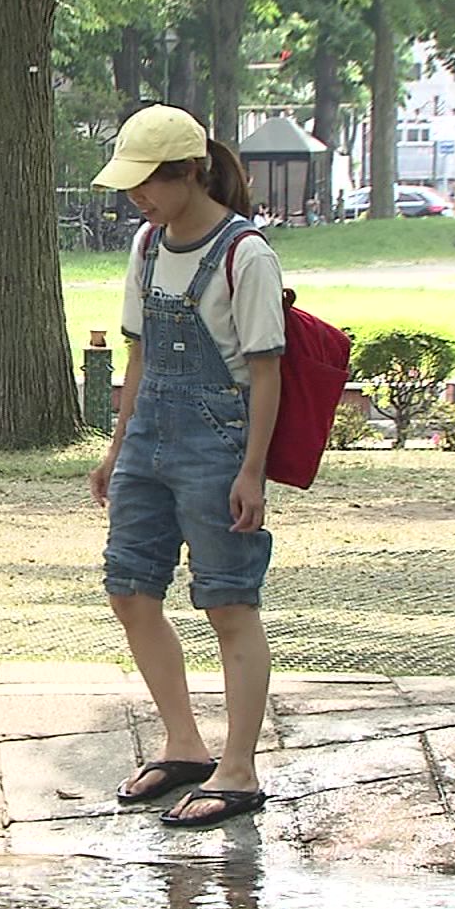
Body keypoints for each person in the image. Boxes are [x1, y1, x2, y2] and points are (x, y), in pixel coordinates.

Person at [85, 104, 285, 829]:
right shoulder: (145, 245)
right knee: (130, 590)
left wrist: (252, 470)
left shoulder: (246, 253)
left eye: (149, 183)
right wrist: (117, 448)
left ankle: (239, 769)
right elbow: (137, 353)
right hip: (148, 441)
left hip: (218, 443)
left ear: (188, 173)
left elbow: (266, 370)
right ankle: (184, 744)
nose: (138, 198)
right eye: (132, 185)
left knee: (229, 602)